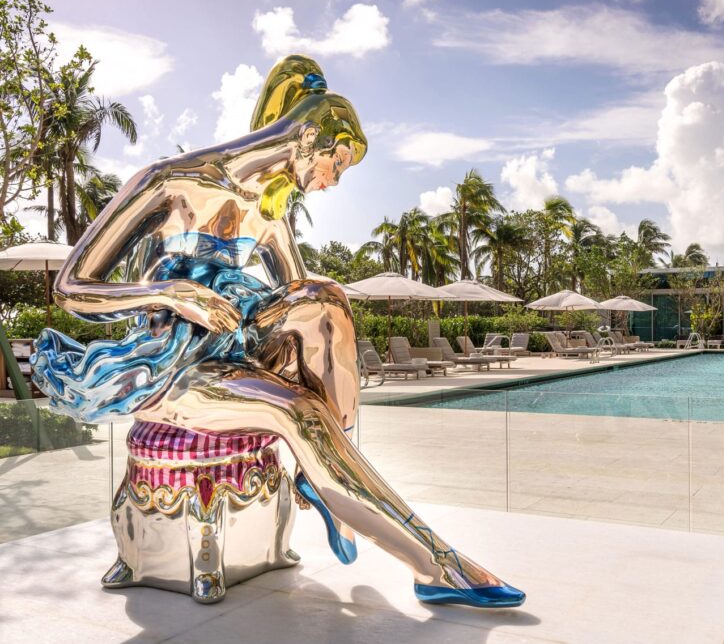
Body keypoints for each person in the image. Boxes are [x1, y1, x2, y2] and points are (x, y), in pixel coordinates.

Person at [32, 56, 524, 609]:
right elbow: (71, 288)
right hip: (170, 372)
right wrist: (173, 294)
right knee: (299, 413)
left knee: (327, 298)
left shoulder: (269, 216)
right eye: (337, 163)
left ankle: (327, 474)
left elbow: (304, 314)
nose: (333, 181)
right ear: (308, 138)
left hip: (232, 354)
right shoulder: (169, 183)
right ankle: (435, 564)